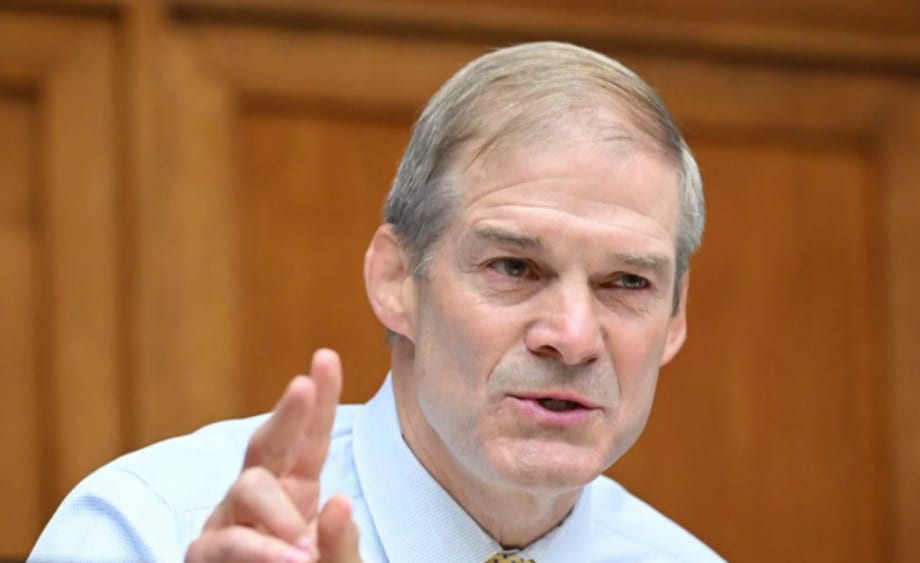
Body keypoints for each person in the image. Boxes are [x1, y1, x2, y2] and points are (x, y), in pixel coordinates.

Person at [30, 41, 722, 562]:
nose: (572, 336)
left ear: (675, 318)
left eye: (627, 282)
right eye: (515, 266)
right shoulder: (144, 531)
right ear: (396, 280)